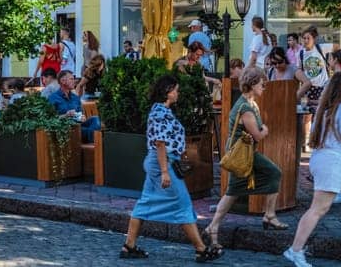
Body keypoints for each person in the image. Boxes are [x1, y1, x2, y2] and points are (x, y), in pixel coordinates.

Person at [282, 73, 341, 267]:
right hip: (332, 162)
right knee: (319, 209)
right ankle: (295, 249)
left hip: (324, 159)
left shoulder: (325, 107)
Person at [119, 74, 220, 262]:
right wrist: (165, 171)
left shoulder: (161, 111)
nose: (178, 93)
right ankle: (200, 249)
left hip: (159, 163)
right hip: (162, 164)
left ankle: (129, 246)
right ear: (167, 92)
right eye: (176, 90)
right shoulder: (160, 113)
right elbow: (160, 143)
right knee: (182, 203)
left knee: (144, 204)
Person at [206, 66, 286, 247]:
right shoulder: (246, 108)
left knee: (233, 192)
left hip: (245, 153)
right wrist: (264, 130)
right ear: (252, 84)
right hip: (241, 155)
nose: (264, 87)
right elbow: (258, 135)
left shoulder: (251, 104)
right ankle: (269, 215)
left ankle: (213, 227)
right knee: (273, 173)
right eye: (262, 84)